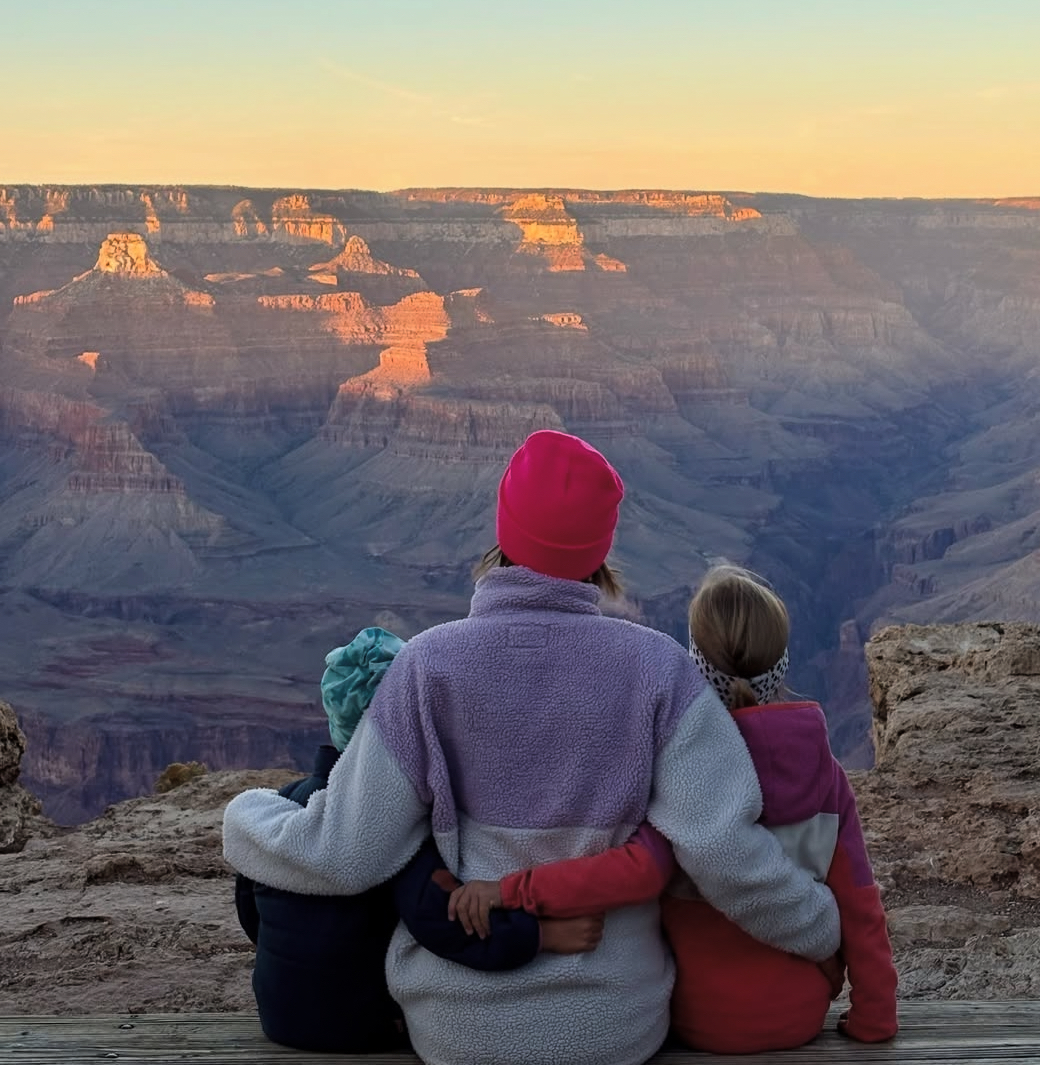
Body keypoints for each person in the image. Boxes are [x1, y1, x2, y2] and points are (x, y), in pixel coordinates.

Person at [224, 430, 840, 1065]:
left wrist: (246, 814)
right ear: (601, 551)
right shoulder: (658, 671)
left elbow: (344, 853)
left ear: (504, 533)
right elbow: (721, 850)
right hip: (614, 1026)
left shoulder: (428, 666)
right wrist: (819, 927)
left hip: (458, 1027)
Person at [450, 564, 898, 1054]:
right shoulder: (824, 773)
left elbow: (633, 872)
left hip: (693, 1016)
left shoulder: (679, 772)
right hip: (799, 1013)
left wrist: (513, 889)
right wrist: (874, 1015)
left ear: (695, 661)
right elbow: (859, 902)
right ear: (782, 662)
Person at [233, 626, 597, 1053]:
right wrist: (540, 937)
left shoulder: (286, 803)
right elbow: (439, 921)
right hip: (361, 1025)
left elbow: (250, 912)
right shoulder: (393, 821)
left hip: (278, 1015)